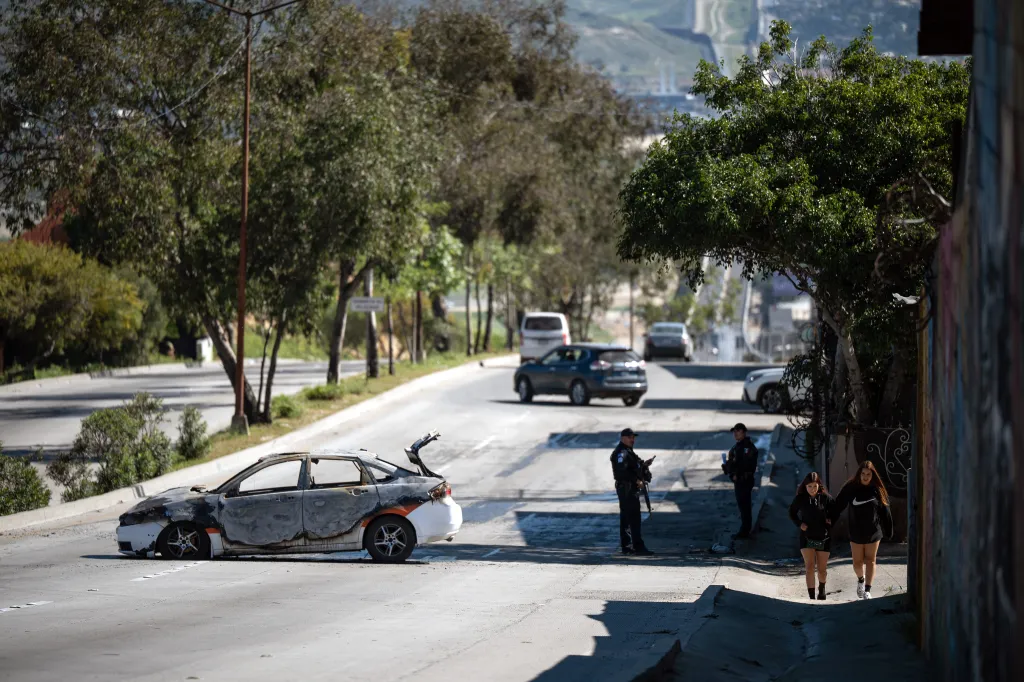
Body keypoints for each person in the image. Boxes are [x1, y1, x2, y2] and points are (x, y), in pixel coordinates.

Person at [831, 460, 894, 599]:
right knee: (857, 563)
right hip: (856, 532)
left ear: (873, 476)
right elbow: (838, 504)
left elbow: (885, 511)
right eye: (863, 474)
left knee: (871, 560)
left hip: (873, 532)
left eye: (868, 474)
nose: (865, 477)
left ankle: (867, 590)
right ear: (859, 474)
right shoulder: (851, 488)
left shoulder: (877, 490)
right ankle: (861, 579)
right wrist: (830, 520)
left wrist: (889, 531)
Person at [789, 472, 835, 600]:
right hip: (807, 537)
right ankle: (811, 597)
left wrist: (830, 520)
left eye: (814, 486)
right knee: (809, 566)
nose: (812, 489)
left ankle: (822, 589)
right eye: (809, 486)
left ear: (819, 485)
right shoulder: (800, 499)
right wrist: (799, 523)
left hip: (823, 537)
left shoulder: (826, 498)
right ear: (805, 486)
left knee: (821, 569)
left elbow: (835, 511)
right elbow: (791, 512)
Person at [610, 428, 654, 555]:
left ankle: (628, 546)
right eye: (630, 437)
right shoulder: (621, 453)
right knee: (633, 518)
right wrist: (636, 480)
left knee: (628, 518)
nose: (632, 440)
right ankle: (637, 547)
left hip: (629, 489)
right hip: (627, 489)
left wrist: (644, 465)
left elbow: (632, 467)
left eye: (633, 437)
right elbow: (621, 472)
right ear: (623, 438)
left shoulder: (628, 452)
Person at [723, 423, 759, 538]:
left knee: (745, 506)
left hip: (744, 480)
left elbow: (746, 465)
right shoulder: (737, 446)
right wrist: (728, 467)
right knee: (742, 506)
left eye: (738, 431)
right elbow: (734, 462)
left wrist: (736, 473)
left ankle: (745, 531)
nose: (735, 434)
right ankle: (744, 529)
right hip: (739, 481)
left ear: (744, 432)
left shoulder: (747, 447)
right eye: (734, 432)